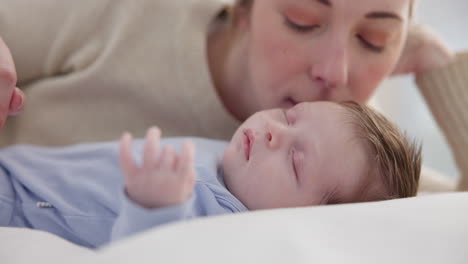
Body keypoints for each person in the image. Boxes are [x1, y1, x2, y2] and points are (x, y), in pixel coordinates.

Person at [0, 0, 465, 191]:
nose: (333, 71)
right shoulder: (132, 13)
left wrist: (441, 69)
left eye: (375, 41)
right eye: (303, 20)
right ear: (245, 9)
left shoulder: (356, 161)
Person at [0, 101, 421, 248]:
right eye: (289, 115)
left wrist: (153, 211)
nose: (275, 130)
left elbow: (156, 255)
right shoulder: (237, 162)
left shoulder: (227, 229)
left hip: (15, 211)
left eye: (296, 161)